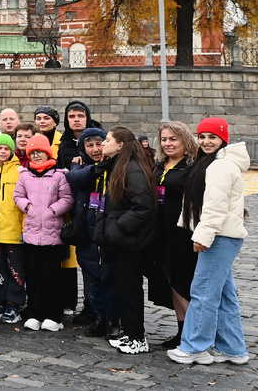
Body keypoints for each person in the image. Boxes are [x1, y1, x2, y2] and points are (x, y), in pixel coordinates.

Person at [167, 117, 250, 365]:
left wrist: (203, 236)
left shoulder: (219, 166)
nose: (205, 141)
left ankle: (195, 347)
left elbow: (215, 207)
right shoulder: (215, 163)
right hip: (224, 235)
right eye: (202, 136)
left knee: (203, 292)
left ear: (223, 139)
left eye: (212, 137)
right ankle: (233, 349)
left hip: (219, 236)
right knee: (224, 295)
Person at [94, 126, 157, 354]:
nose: (103, 144)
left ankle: (137, 338)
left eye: (107, 140)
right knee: (122, 288)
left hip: (130, 241)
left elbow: (143, 207)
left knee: (130, 290)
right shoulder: (118, 166)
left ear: (120, 145)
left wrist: (118, 227)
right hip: (121, 240)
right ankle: (130, 334)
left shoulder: (132, 169)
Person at [14, 134, 74, 332]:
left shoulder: (58, 175)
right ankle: (35, 312)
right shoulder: (25, 175)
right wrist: (28, 207)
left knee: (52, 276)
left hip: (53, 236)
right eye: (33, 153)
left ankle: (53, 315)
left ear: (47, 153)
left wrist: (53, 210)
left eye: (40, 152)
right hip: (32, 235)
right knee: (34, 276)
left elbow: (67, 198)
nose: (36, 156)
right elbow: (18, 195)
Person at [66, 127, 119, 340]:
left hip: (107, 229)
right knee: (92, 276)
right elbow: (75, 178)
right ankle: (99, 316)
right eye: (90, 145)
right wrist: (96, 168)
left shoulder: (116, 165)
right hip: (86, 230)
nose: (96, 149)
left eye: (99, 144)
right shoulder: (80, 166)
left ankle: (113, 319)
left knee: (110, 277)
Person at [149, 121, 198, 348]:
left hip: (182, 232)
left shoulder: (192, 166)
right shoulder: (160, 164)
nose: (168, 143)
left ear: (185, 140)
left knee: (182, 280)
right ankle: (182, 330)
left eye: (173, 139)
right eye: (164, 139)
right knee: (169, 278)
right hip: (161, 230)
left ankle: (193, 332)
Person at [0, 133, 25, 325]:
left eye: (6, 148)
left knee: (15, 270)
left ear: (12, 151)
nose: (2, 151)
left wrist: (23, 227)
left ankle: (13, 303)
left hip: (13, 230)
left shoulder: (19, 172)